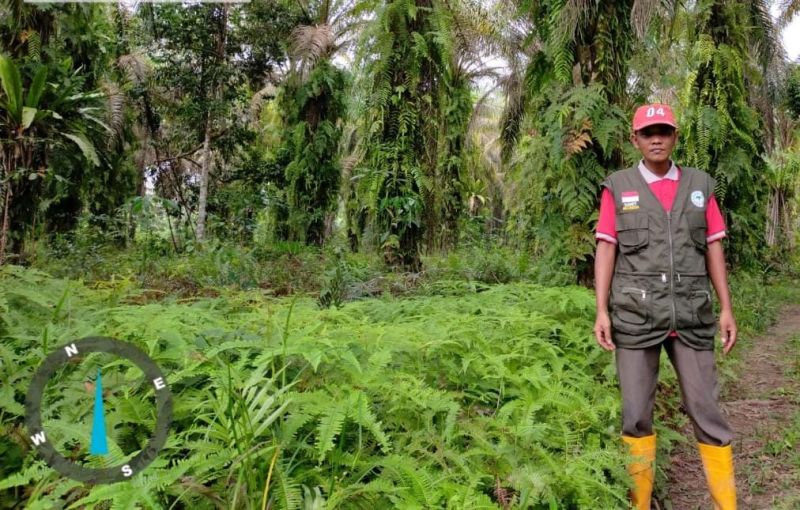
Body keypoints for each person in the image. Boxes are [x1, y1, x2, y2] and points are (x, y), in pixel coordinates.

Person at [592, 103, 738, 510]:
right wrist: (601, 310)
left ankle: (726, 504)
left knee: (707, 411)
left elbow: (713, 247)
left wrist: (726, 308)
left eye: (664, 131)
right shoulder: (618, 187)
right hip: (635, 316)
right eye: (647, 132)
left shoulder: (700, 185)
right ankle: (640, 503)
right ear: (634, 139)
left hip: (692, 315)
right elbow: (607, 248)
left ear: (675, 137)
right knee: (636, 415)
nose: (656, 139)